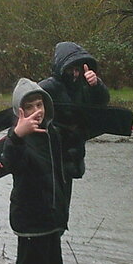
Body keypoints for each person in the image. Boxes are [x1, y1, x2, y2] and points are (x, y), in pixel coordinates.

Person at [0, 78, 70, 264]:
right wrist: (17, 135)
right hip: (31, 221)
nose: (37, 111)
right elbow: (10, 162)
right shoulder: (17, 139)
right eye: (30, 107)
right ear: (20, 112)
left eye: (39, 104)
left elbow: (60, 173)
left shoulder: (52, 134)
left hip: (53, 218)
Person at [38, 42, 110, 183]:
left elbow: (102, 102)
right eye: (71, 69)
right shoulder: (47, 87)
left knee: (63, 195)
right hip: (50, 158)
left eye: (78, 70)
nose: (75, 74)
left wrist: (96, 85)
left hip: (72, 158)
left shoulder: (84, 87)